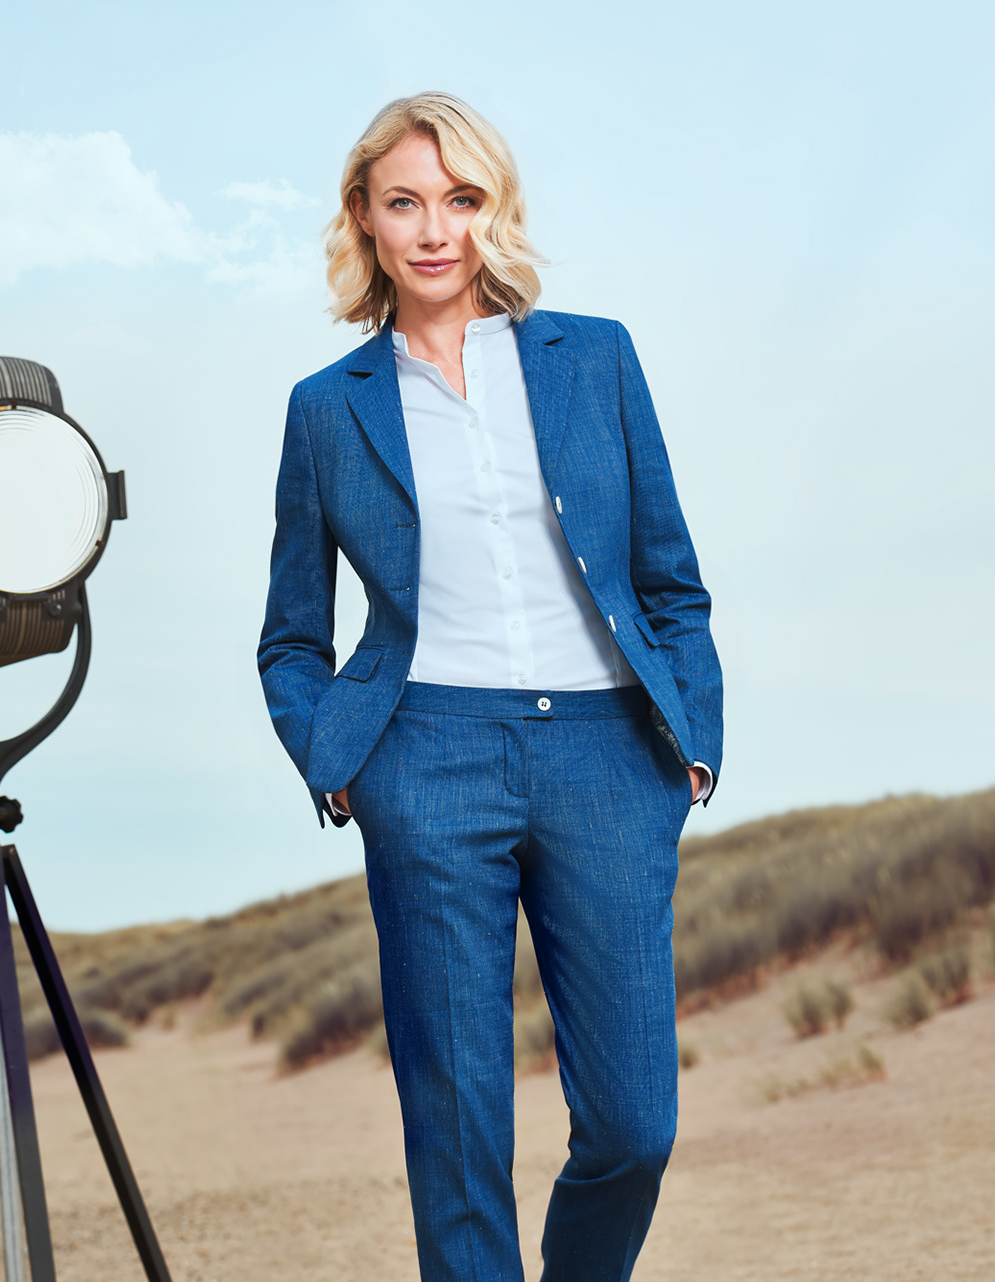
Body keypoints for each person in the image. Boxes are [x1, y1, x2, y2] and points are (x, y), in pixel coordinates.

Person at [257, 91, 722, 1282]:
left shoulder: (595, 357)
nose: (434, 231)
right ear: (362, 218)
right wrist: (345, 763)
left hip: (611, 758)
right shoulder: (326, 410)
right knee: (458, 1130)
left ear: (493, 210)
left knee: (634, 1124)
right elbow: (292, 638)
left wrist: (692, 742)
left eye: (460, 200)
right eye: (404, 201)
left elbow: (671, 580)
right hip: (426, 758)